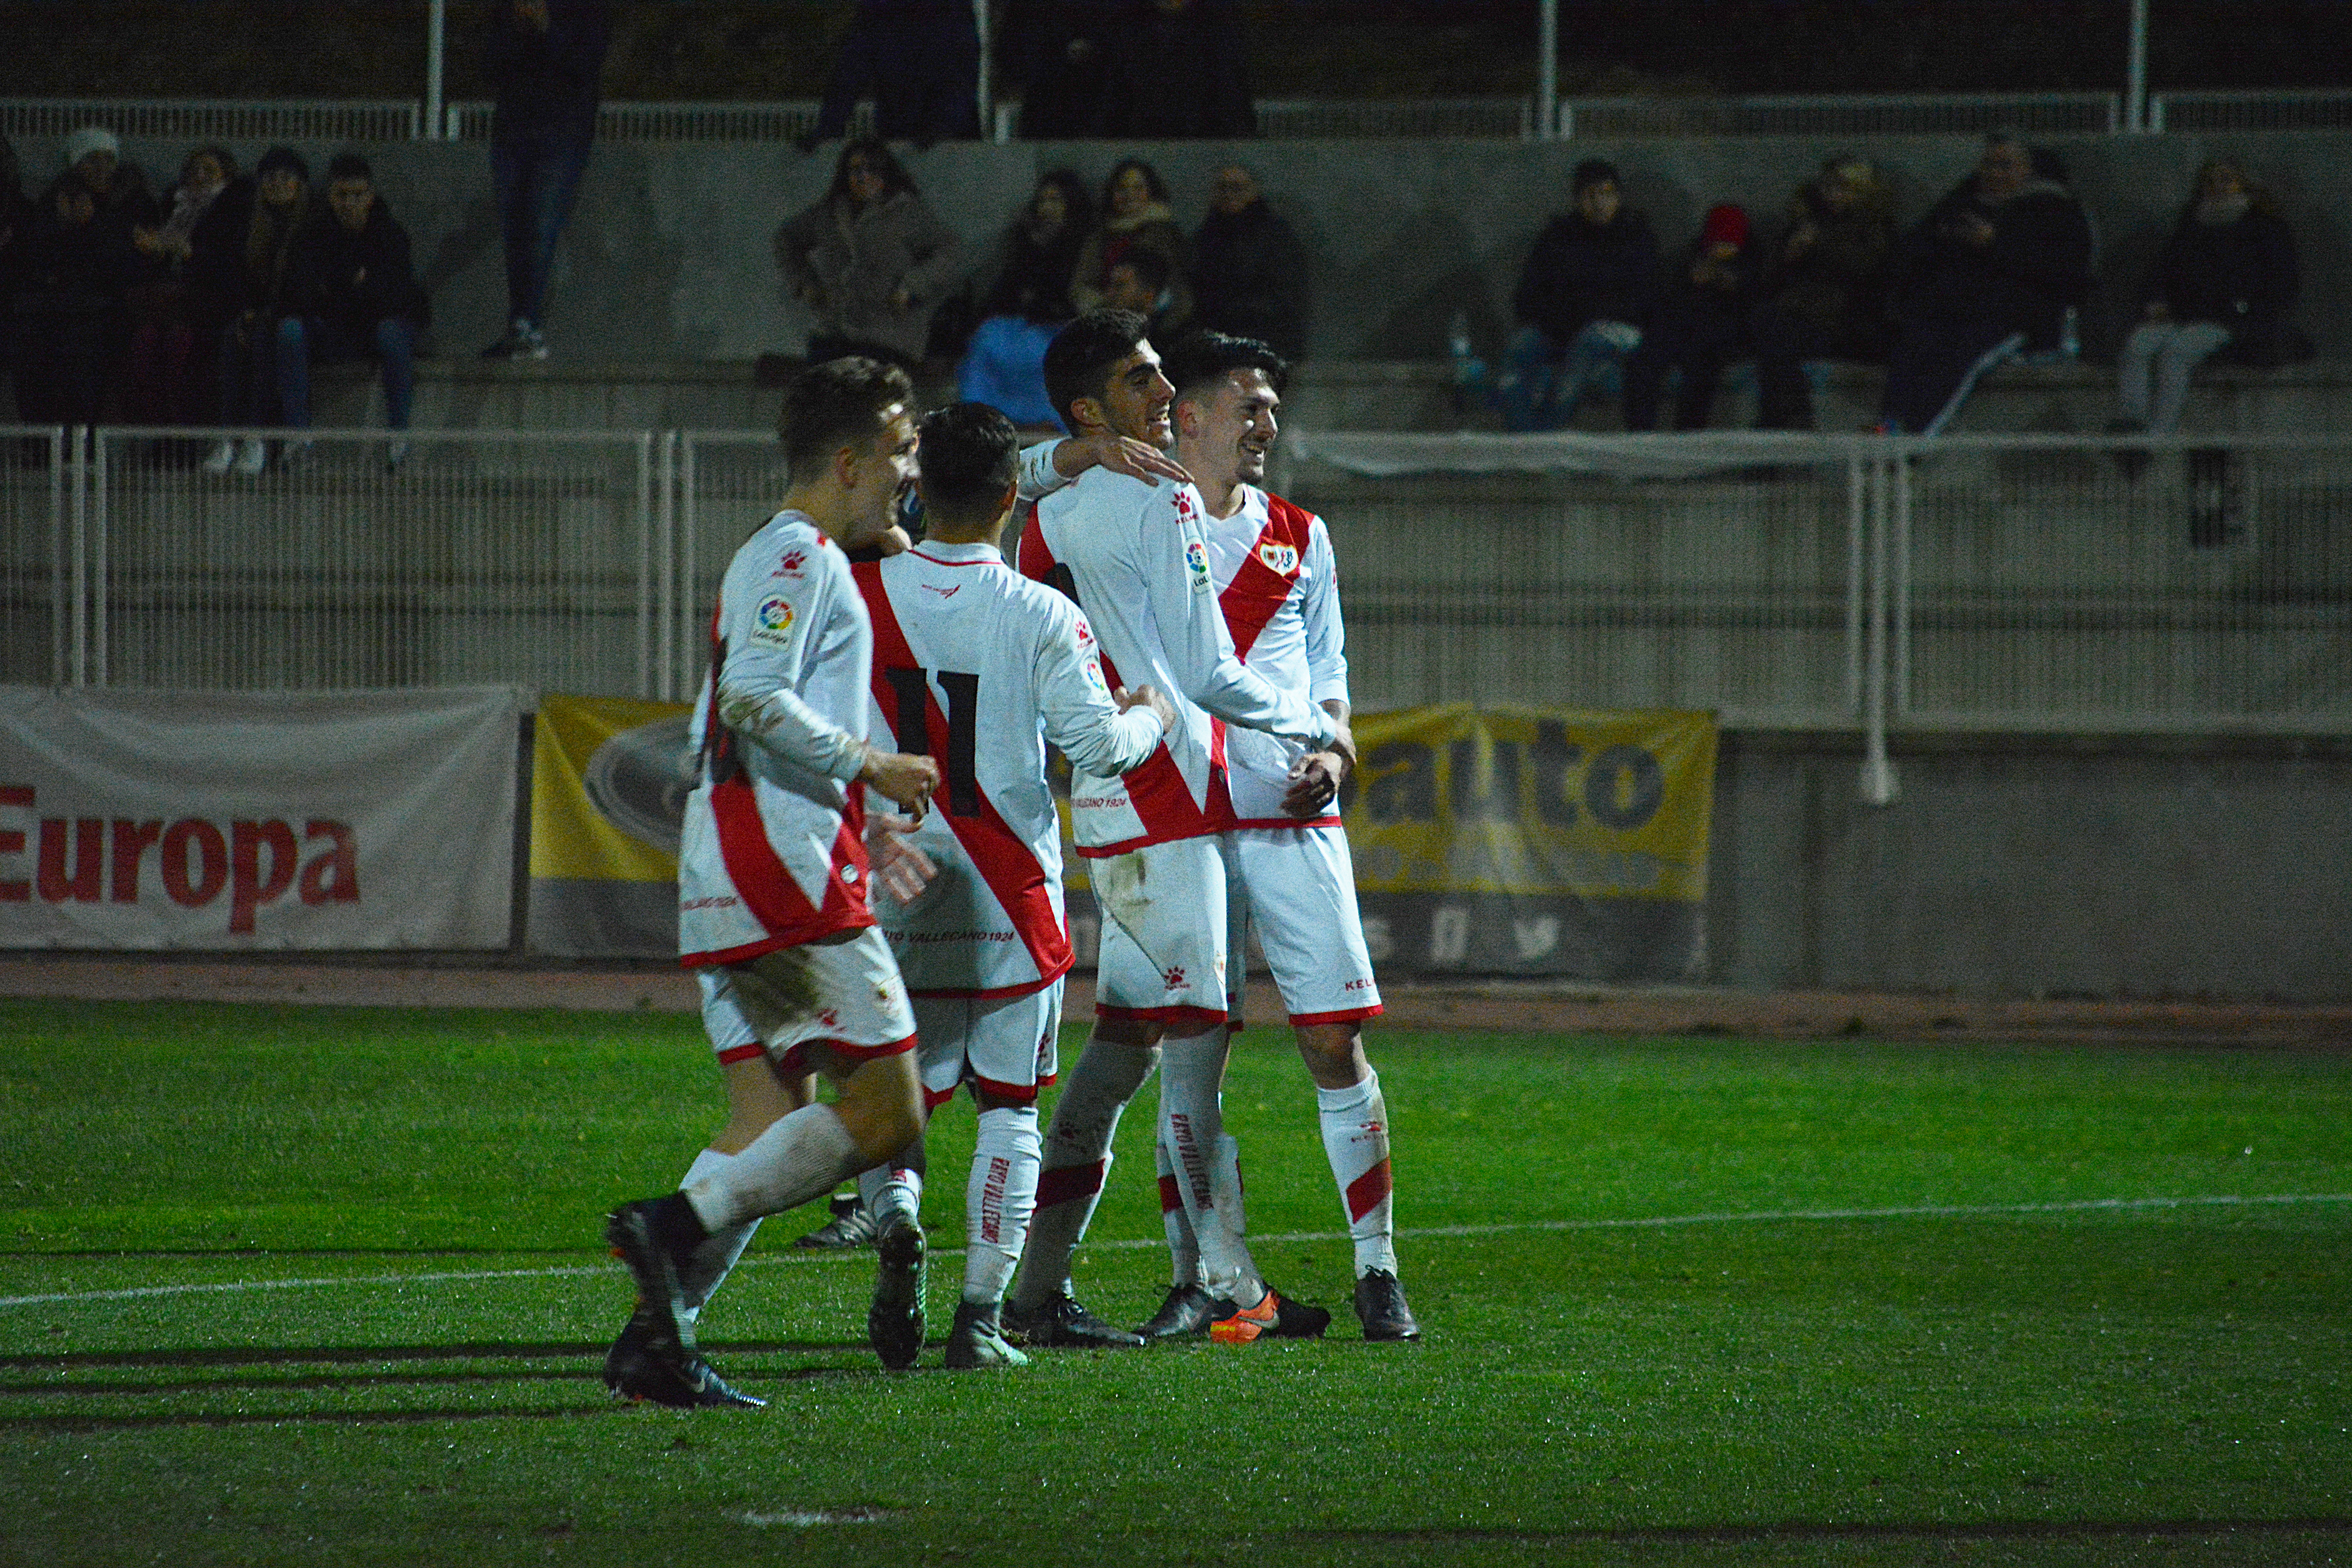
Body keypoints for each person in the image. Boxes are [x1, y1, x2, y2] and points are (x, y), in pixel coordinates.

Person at [600, 357, 944, 1409]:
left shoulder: (795, 555)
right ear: (848, 461)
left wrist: (861, 814)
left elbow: (728, 719)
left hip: (753, 855)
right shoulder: (797, 556)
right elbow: (752, 696)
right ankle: (673, 1225)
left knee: (767, 1115)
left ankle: (659, 1341)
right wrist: (870, 766)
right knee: (890, 1116)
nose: (910, 468)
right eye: (899, 449)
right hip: (778, 870)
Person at [1002, 309, 1349, 1348]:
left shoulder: (1060, 506)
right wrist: (1318, 727)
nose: (1166, 396)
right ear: (1093, 405)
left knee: (1124, 1049)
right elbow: (1204, 675)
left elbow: (982, 479)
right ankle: (1217, 1284)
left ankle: (1037, 1291)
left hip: (1116, 789)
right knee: (1199, 1043)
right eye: (1143, 381)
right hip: (1166, 788)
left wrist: (1064, 454)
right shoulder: (1162, 501)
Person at [846, 401, 1175, 1368]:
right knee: (1010, 1109)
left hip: (896, 885)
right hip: (1008, 897)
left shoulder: (857, 594)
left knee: (885, 1096)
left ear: (918, 486)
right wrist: (1152, 710)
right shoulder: (1041, 612)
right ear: (1008, 498)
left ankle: (896, 1212)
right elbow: (1097, 749)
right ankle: (979, 1317)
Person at [1145, 329, 1419, 1343]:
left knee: (1332, 1039)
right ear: (1192, 416)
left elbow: (1334, 691)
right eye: (1248, 405)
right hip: (1181, 816)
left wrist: (1334, 760)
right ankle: (1206, 1279)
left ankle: (1378, 1269)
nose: (1266, 424)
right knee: (1191, 1055)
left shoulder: (1302, 535)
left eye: (1271, 408)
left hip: (1296, 817)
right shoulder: (1146, 528)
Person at [1878, 134, 2092, 436]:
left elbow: (2064, 273)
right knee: (1912, 347)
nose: (1995, 174)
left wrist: (1995, 244)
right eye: (1989, 165)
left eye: (2006, 166)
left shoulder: (2054, 209)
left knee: (1958, 359)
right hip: (1952, 309)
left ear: (2027, 170)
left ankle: (1915, 443)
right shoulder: (1963, 204)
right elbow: (1913, 249)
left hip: (2016, 317)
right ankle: (1887, 432)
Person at [2109, 157, 2301, 442]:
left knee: (2177, 353)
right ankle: (2133, 425)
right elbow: (2163, 272)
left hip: (2234, 322)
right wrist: (2157, 302)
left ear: (2245, 185)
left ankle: (2159, 435)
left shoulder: (2265, 228)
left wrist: (2244, 309)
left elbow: (2280, 284)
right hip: (2183, 316)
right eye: (2210, 181)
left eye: (2227, 180)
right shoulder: (2192, 224)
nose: (2217, 188)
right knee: (2138, 346)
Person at [481, 0, 612, 361]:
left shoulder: (587, 10)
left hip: (563, 133)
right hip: (512, 132)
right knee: (515, 230)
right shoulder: (509, 8)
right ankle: (520, 324)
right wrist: (517, 32)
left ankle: (527, 323)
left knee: (542, 227)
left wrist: (546, 29)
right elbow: (489, 64)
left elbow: (585, 65)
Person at [284, 154, 430, 468]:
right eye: (342, 195)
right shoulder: (312, 235)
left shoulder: (389, 234)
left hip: (375, 329)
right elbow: (298, 293)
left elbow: (397, 297)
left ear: (371, 196)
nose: (350, 203)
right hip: (333, 328)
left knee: (392, 332)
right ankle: (300, 441)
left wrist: (339, 288)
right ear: (330, 197)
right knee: (290, 332)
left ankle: (399, 441)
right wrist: (353, 283)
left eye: (358, 195)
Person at [1492, 158, 1659, 431]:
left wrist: (1587, 313)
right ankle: (1523, 442)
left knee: (1589, 342)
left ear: (1618, 197)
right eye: (1590, 195)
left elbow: (1644, 300)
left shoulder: (1636, 238)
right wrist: (1558, 319)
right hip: (1564, 328)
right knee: (1521, 349)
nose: (1599, 203)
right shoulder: (1558, 238)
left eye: (1607, 194)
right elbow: (1528, 297)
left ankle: (1547, 437)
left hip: (1621, 332)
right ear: (1577, 199)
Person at [776, 138, 962, 372]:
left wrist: (912, 288)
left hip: (889, 334)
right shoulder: (829, 215)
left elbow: (949, 250)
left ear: (885, 175)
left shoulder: (906, 213)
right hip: (836, 330)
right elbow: (787, 240)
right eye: (855, 171)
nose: (863, 178)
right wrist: (806, 284)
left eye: (871, 170)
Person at [1749, 157, 1897, 430]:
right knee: (1771, 327)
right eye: (1828, 187)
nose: (1833, 195)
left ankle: (1781, 420)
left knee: (1775, 331)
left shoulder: (1874, 227)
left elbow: (1866, 269)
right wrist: (1789, 256)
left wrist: (1820, 245)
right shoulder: (1805, 220)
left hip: (1845, 323)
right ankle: (1787, 418)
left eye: (1843, 188)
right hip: (1797, 315)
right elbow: (1768, 280)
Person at [203, 146, 312, 476]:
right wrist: (245, 315)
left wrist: (264, 316)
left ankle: (258, 437)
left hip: (303, 320)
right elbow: (236, 282)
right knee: (232, 338)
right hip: (262, 316)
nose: (278, 184)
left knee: (271, 333)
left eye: (286, 178)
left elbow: (305, 291)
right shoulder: (249, 228)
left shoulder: (311, 226)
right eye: (271, 178)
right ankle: (229, 438)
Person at [956, 170, 1091, 429]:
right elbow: (1004, 293)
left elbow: (1071, 295)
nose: (1047, 208)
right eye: (1043, 201)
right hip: (1019, 323)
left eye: (1056, 201)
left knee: (1046, 353)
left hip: (1060, 326)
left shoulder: (1084, 243)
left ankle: (1048, 420)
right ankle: (978, 420)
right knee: (987, 339)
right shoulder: (1024, 241)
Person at [122, 145, 245, 427]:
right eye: (193, 171)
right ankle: (151, 426)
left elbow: (230, 265)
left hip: (204, 301)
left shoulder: (233, 209)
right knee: (145, 340)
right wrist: (153, 251)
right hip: (167, 297)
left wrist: (189, 252)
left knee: (181, 343)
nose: (200, 176)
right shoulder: (172, 206)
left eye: (209, 171)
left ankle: (181, 428)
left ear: (226, 176)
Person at [12, 168, 142, 430]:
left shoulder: (112, 226)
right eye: (68, 197)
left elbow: (116, 271)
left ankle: (84, 446)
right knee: (34, 367)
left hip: (92, 320)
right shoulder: (38, 226)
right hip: (42, 318)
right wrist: (61, 227)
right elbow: (28, 267)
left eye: (82, 198)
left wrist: (87, 227)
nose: (75, 204)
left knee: (82, 373)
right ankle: (39, 446)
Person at [1622, 203, 1758, 432]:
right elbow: (1663, 304)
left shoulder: (1750, 266)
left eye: (1729, 243)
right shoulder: (1688, 259)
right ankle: (1642, 439)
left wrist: (1727, 286)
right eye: (1719, 241)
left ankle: (1688, 442)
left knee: (1703, 372)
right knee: (1644, 363)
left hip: (1718, 342)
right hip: (1680, 333)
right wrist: (1690, 285)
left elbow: (1747, 314)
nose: (1722, 248)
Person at [805, 0, 981, 149]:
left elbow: (960, 75)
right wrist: (828, 129)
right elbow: (850, 71)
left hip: (946, 141)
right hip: (901, 133)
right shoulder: (879, 13)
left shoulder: (950, 12)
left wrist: (944, 126)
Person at [1189, 164, 1309, 361]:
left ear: (1254, 191)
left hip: (1266, 342)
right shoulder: (1205, 237)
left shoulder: (1277, 237)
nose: (1229, 195)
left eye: (1237, 188)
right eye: (1223, 188)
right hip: (1217, 344)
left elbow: (1286, 295)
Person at [1092, 0, 1255, 140]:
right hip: (1141, 139)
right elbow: (1114, 96)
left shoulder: (1218, 28)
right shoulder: (1128, 28)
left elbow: (1232, 96)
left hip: (1204, 141)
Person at [1069, 159, 1189, 325]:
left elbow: (1179, 292)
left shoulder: (1166, 234)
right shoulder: (1099, 236)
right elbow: (1081, 285)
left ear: (1151, 192)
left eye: (1138, 188)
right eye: (1122, 189)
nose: (1129, 195)